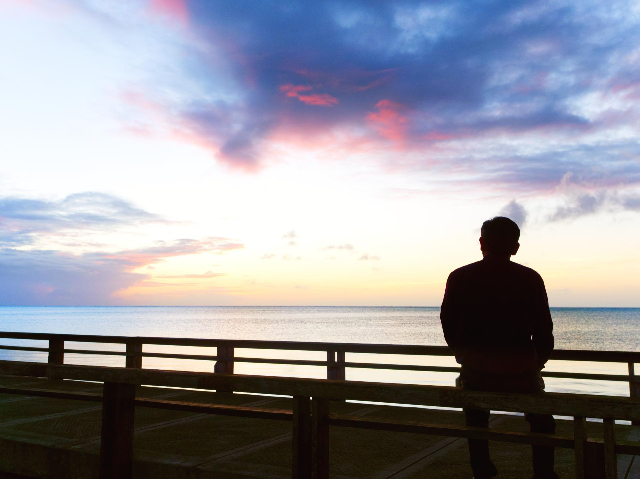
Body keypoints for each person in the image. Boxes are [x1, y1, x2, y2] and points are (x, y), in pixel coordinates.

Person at [440, 216, 557, 479]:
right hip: (521, 371)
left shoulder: (459, 276)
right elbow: (544, 328)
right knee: (542, 420)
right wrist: (537, 361)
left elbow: (447, 321)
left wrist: (463, 353)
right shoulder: (530, 278)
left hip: (476, 370)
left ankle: (482, 471)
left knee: (476, 417)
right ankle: (543, 473)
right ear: (515, 247)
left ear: (482, 243)